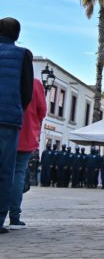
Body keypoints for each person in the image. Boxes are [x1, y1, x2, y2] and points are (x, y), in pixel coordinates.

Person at [0, 17, 33, 235]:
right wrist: (15, 107)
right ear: (17, 35)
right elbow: (26, 92)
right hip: (8, 121)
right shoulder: (23, 55)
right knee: (4, 172)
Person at [6, 77, 46, 230]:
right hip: (25, 134)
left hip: (4, 132)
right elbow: (42, 110)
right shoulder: (34, 83)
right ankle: (14, 218)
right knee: (18, 174)